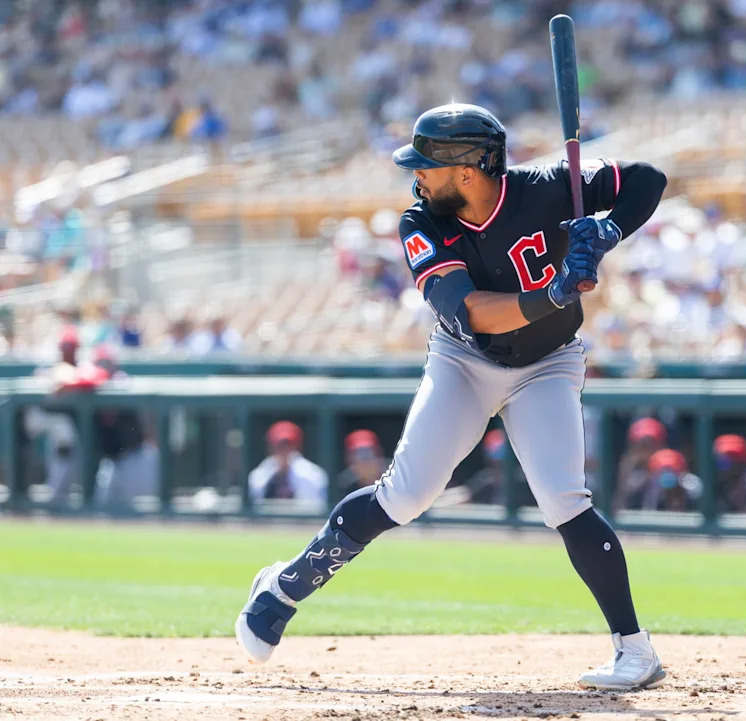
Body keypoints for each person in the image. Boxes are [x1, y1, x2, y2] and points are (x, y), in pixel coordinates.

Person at [235, 103, 668, 690]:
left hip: (548, 362)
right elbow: (473, 314)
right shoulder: (421, 222)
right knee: (405, 495)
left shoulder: (548, 187)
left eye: (426, 166)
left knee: (566, 500)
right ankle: (285, 586)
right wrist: (557, 290)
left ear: (467, 170)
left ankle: (634, 650)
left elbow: (647, 179)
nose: (416, 177)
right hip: (465, 360)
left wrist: (609, 230)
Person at [248, 421, 328, 510]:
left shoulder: (312, 474)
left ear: (297, 446)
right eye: (279, 446)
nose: (283, 450)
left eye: (287, 445)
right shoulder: (260, 474)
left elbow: (315, 509)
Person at [613, 418, 669, 512]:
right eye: (640, 445)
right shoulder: (631, 475)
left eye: (649, 445)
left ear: (662, 446)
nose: (645, 451)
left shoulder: (670, 471)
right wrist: (625, 471)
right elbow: (617, 509)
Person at [333, 429, 388, 501]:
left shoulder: (392, 478)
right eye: (358, 455)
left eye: (369, 453)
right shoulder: (345, 486)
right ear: (349, 459)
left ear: (379, 453)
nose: (365, 462)